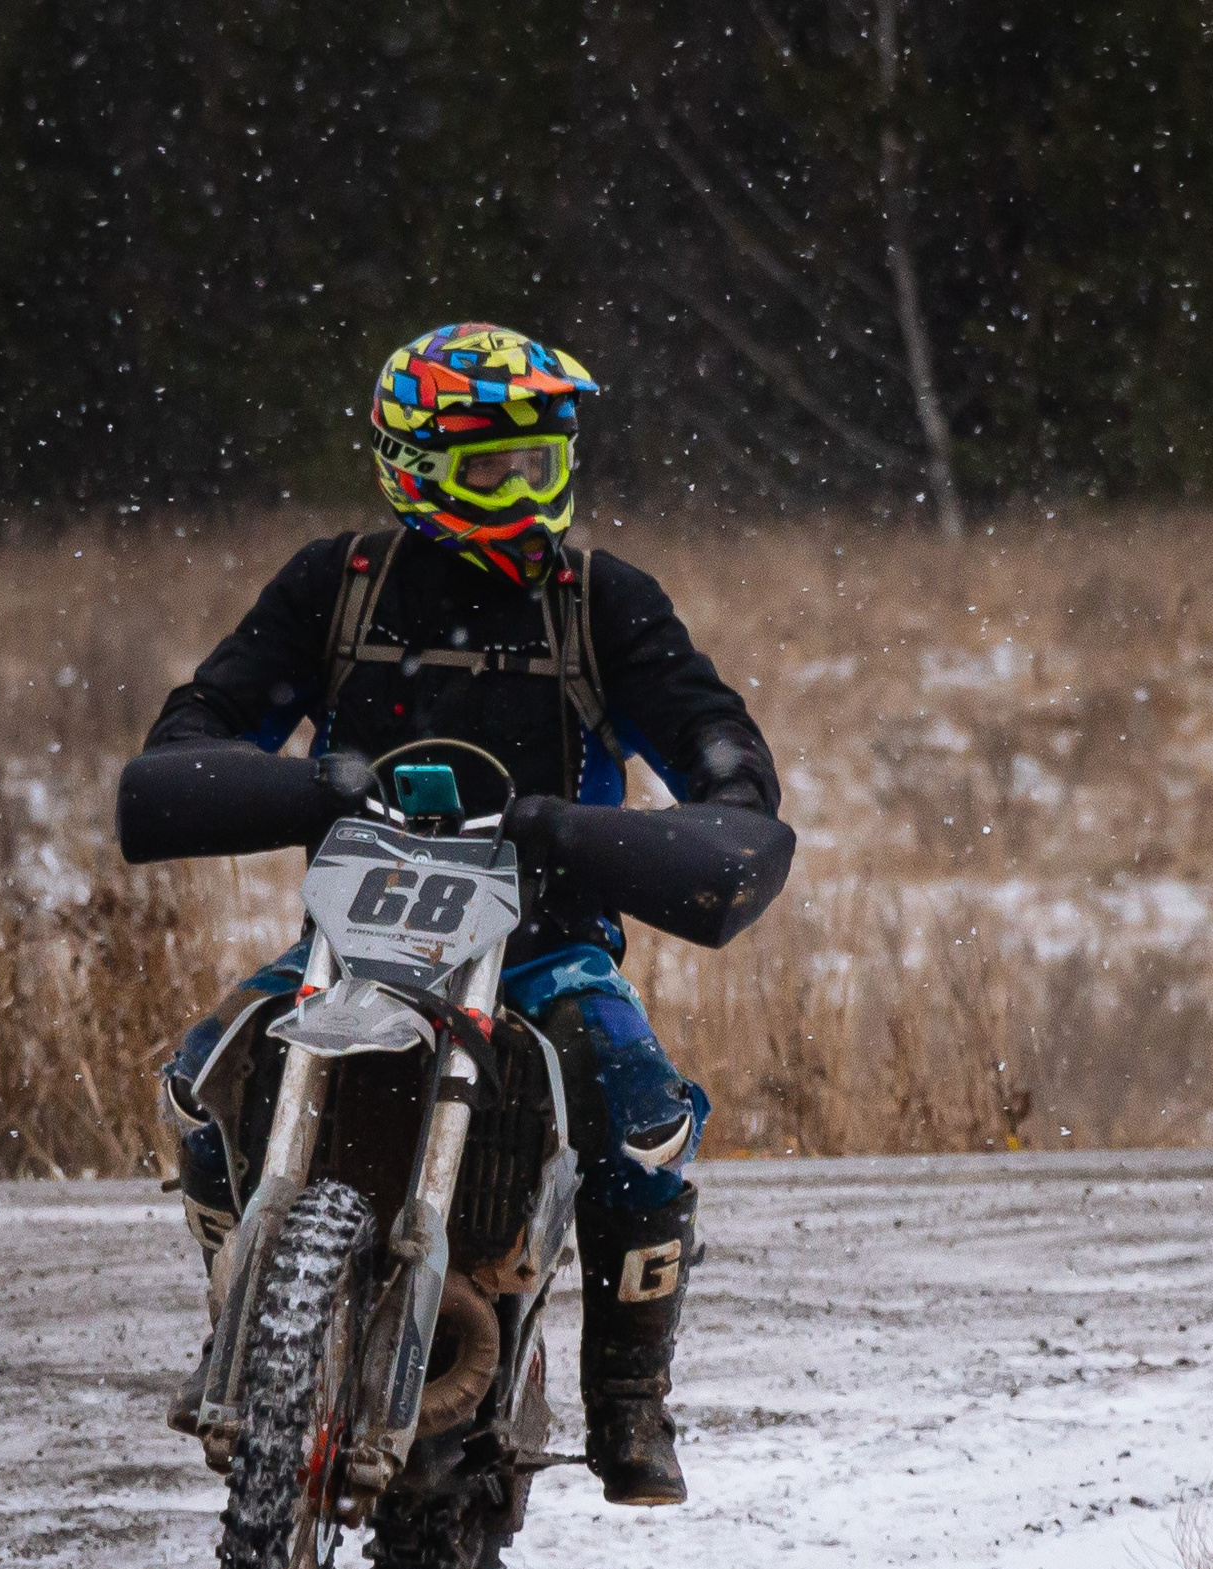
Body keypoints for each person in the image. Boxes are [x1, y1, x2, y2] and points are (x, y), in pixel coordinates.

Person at [141, 322, 779, 1508]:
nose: (527, 492)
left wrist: (720, 800)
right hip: (354, 941)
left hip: (541, 951)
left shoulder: (600, 602)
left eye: (543, 463)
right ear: (415, 462)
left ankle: (630, 1407)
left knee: (641, 1114)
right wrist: (289, 779)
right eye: (496, 468)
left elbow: (711, 733)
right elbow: (201, 719)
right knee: (202, 1078)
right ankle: (246, 1322)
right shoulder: (337, 587)